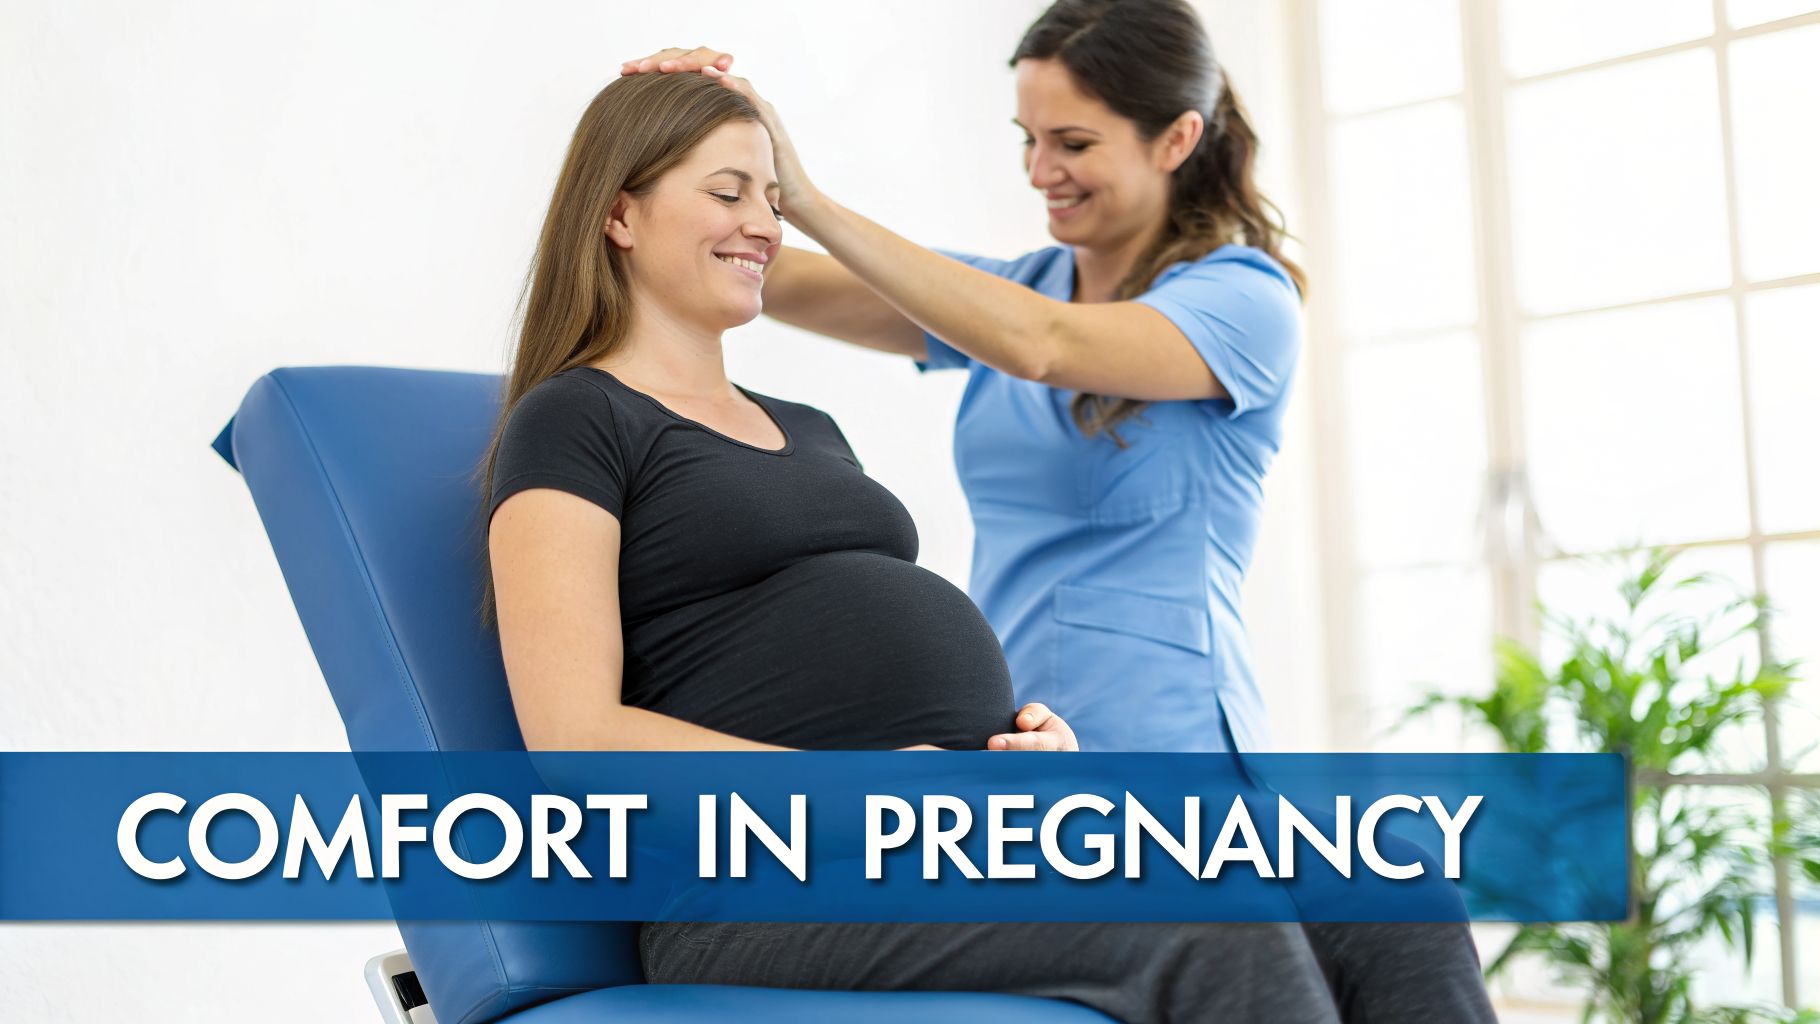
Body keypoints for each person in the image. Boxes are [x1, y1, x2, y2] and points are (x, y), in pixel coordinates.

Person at [619, 0, 1496, 1019]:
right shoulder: (1009, 289)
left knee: (1392, 893)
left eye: (1072, 142)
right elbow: (774, 283)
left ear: (1176, 138)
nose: (1039, 170)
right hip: (1019, 744)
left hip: (1169, 748)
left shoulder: (1238, 299)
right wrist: (709, 183)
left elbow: (1043, 343)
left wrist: (802, 193)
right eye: (1026, 140)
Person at [481, 70, 1341, 1023]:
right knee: (1215, 922)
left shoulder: (806, 426)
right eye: (728, 194)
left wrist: (1013, 753)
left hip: (963, 838)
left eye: (772, 199)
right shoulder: (575, 418)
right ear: (620, 216)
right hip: (765, 885)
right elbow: (576, 738)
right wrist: (888, 790)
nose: (764, 225)